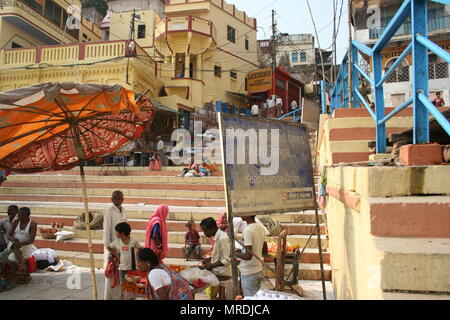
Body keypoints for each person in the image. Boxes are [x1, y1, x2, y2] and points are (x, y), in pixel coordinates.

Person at [103, 190, 127, 300]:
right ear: (112, 199)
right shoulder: (109, 211)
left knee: (121, 273)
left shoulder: (123, 210)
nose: (118, 201)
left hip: (122, 246)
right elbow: (107, 231)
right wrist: (110, 249)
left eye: (120, 199)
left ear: (123, 199)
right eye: (116, 199)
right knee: (112, 274)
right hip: (112, 247)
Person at [234, 216, 266, 297]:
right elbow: (265, 250)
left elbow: (248, 256)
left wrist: (234, 253)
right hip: (258, 269)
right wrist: (242, 251)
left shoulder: (247, 230)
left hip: (249, 272)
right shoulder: (260, 227)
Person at [7, 207, 37, 283]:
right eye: (18, 214)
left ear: (26, 215)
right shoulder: (16, 222)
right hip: (13, 244)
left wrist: (21, 244)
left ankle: (13, 277)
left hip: (26, 246)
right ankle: (23, 265)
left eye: (20, 214)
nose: (18, 216)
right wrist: (13, 239)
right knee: (15, 246)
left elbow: (31, 240)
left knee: (12, 256)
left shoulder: (33, 224)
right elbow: (9, 235)